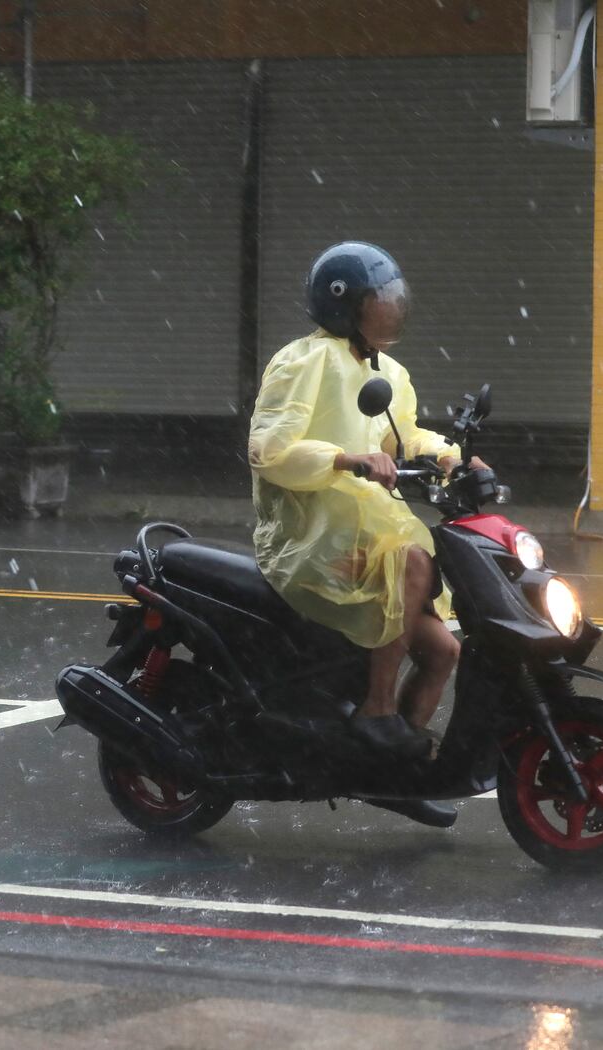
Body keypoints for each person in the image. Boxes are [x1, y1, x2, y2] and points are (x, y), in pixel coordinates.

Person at [249, 242, 486, 825]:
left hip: (360, 522)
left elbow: (399, 440)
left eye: (392, 299)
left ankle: (388, 772)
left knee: (444, 652)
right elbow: (269, 450)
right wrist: (344, 459)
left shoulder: (388, 372)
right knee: (410, 559)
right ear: (344, 307)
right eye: (378, 301)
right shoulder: (303, 362)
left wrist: (454, 458)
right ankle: (373, 710)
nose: (391, 310)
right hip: (308, 524)